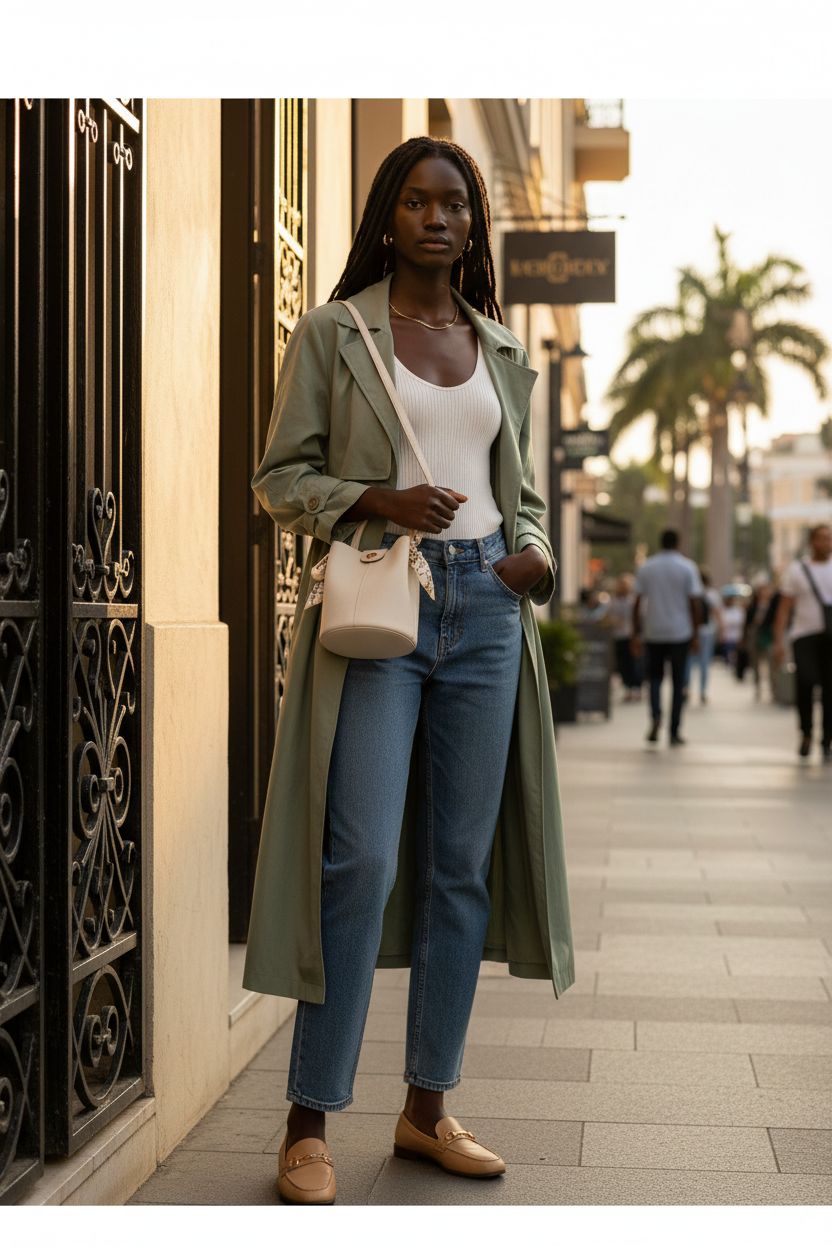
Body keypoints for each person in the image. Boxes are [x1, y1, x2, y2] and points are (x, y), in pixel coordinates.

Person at [242, 136, 575, 1204]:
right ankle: (307, 1123)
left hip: (486, 612)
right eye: (419, 202)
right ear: (388, 217)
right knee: (358, 866)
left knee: (457, 871)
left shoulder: (502, 349)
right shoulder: (337, 333)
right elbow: (277, 477)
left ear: (472, 226)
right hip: (385, 607)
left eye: (456, 205)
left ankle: (428, 1107)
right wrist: (374, 500)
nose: (438, 218)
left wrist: (537, 554)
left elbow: (516, 489)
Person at [631, 529, 702, 745]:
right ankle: (674, 730)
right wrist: (696, 633)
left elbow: (637, 603)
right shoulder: (687, 567)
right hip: (680, 632)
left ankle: (655, 717)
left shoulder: (647, 567)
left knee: (654, 679)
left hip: (654, 631)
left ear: (660, 543)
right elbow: (694, 603)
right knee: (679, 681)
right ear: (678, 543)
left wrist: (636, 632)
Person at [772, 522, 832, 759]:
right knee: (805, 682)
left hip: (830, 636)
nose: (826, 543)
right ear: (812, 542)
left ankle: (827, 737)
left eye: (829, 538)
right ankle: (806, 733)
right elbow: (784, 608)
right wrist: (779, 641)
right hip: (803, 635)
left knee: (830, 688)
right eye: (822, 538)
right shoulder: (798, 570)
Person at [684, 568, 723, 704]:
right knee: (704, 663)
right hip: (707, 630)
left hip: (691, 631)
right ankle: (702, 691)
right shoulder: (711, 594)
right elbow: (717, 613)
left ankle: (686, 688)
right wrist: (721, 629)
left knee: (688, 662)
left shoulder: (690, 592)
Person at [603, 573, 642, 701]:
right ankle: (627, 688)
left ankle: (636, 688)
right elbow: (607, 616)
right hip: (618, 636)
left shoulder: (632, 600)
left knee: (634, 663)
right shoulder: (613, 601)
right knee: (623, 664)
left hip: (631, 636)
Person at [721, 595, 746, 670]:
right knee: (728, 650)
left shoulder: (738, 610)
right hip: (728, 635)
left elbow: (741, 621)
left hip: (736, 635)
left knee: (735, 652)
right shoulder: (724, 610)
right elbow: (724, 622)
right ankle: (729, 663)